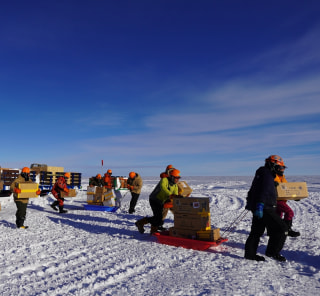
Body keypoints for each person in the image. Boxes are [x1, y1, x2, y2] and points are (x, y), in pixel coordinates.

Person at [244, 155, 288, 262]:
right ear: (272, 165)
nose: (280, 169)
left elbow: (254, 189)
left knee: (256, 231)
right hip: (265, 207)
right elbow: (263, 191)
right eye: (279, 167)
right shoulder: (267, 174)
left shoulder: (263, 173)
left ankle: (250, 254)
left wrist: (251, 202)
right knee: (282, 228)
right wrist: (260, 205)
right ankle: (272, 252)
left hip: (260, 206)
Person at [135, 169, 181, 234]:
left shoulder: (175, 185)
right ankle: (141, 223)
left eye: (178, 178)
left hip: (162, 201)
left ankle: (152, 229)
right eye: (176, 178)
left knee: (158, 218)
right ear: (172, 177)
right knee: (158, 218)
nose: (177, 179)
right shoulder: (164, 180)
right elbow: (163, 188)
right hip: (154, 199)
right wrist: (170, 195)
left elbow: (175, 194)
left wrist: (176, 198)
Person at [275, 169, 300, 237]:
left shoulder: (282, 177)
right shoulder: (273, 176)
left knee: (278, 215)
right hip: (275, 199)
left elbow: (287, 190)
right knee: (289, 212)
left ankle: (275, 230)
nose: (282, 170)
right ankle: (287, 230)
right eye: (280, 168)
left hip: (281, 199)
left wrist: (295, 197)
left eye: (283, 168)